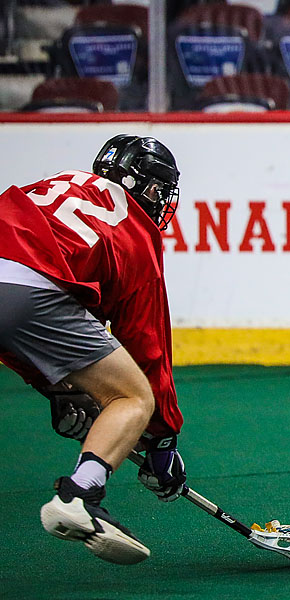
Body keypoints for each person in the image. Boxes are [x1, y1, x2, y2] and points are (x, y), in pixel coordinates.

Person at [0, 135, 188, 565]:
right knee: (131, 396)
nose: (161, 200)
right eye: (160, 189)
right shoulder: (137, 230)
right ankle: (80, 493)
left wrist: (56, 386)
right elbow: (147, 345)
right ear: (145, 186)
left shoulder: (59, 183)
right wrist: (162, 440)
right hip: (32, 289)